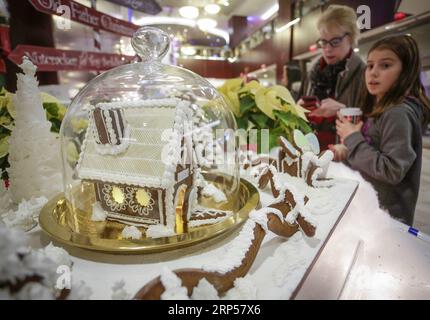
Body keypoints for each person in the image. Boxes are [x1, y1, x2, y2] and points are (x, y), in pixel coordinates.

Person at [334, 35, 430, 225]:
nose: (373, 72)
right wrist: (347, 151)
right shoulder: (381, 109)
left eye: (385, 65)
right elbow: (374, 151)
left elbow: (391, 170)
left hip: (387, 218)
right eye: (370, 65)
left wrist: (353, 138)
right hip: (370, 209)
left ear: (406, 71)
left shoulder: (398, 113)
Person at [299, 5, 365, 150]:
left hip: (346, 156)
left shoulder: (364, 73)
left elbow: (375, 125)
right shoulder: (311, 72)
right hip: (310, 152)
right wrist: (296, 110)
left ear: (351, 37)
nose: (327, 49)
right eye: (323, 42)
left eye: (335, 42)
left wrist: (344, 110)